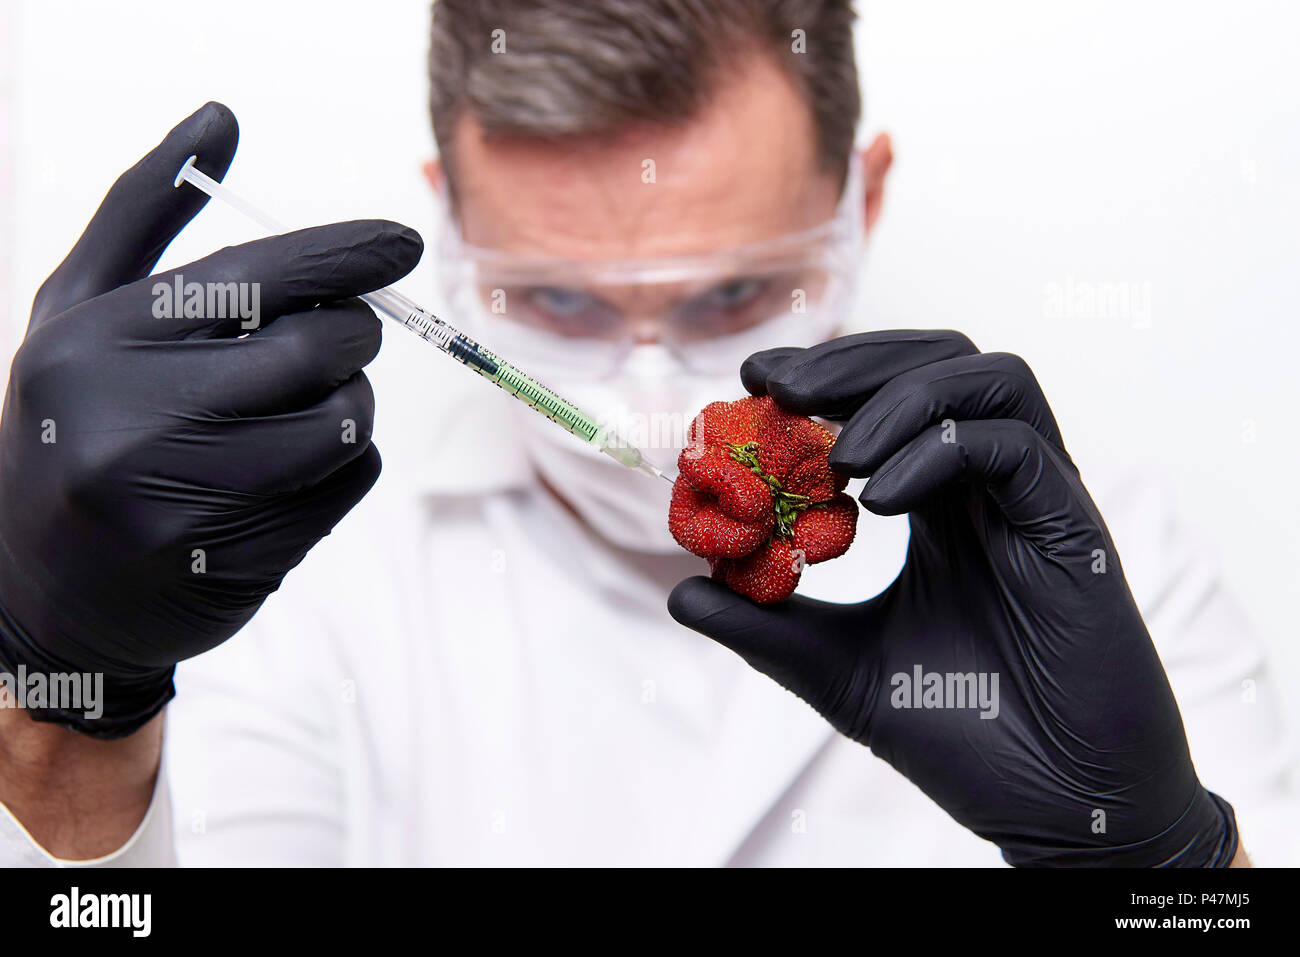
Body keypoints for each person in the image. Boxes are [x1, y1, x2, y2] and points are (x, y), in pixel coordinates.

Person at [0, 0, 1293, 867]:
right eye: (553, 299)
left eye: (736, 291)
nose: (646, 398)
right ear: (447, 221)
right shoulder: (272, 569)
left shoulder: (1092, 564)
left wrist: (1168, 868)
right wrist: (74, 695)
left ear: (864, 196)